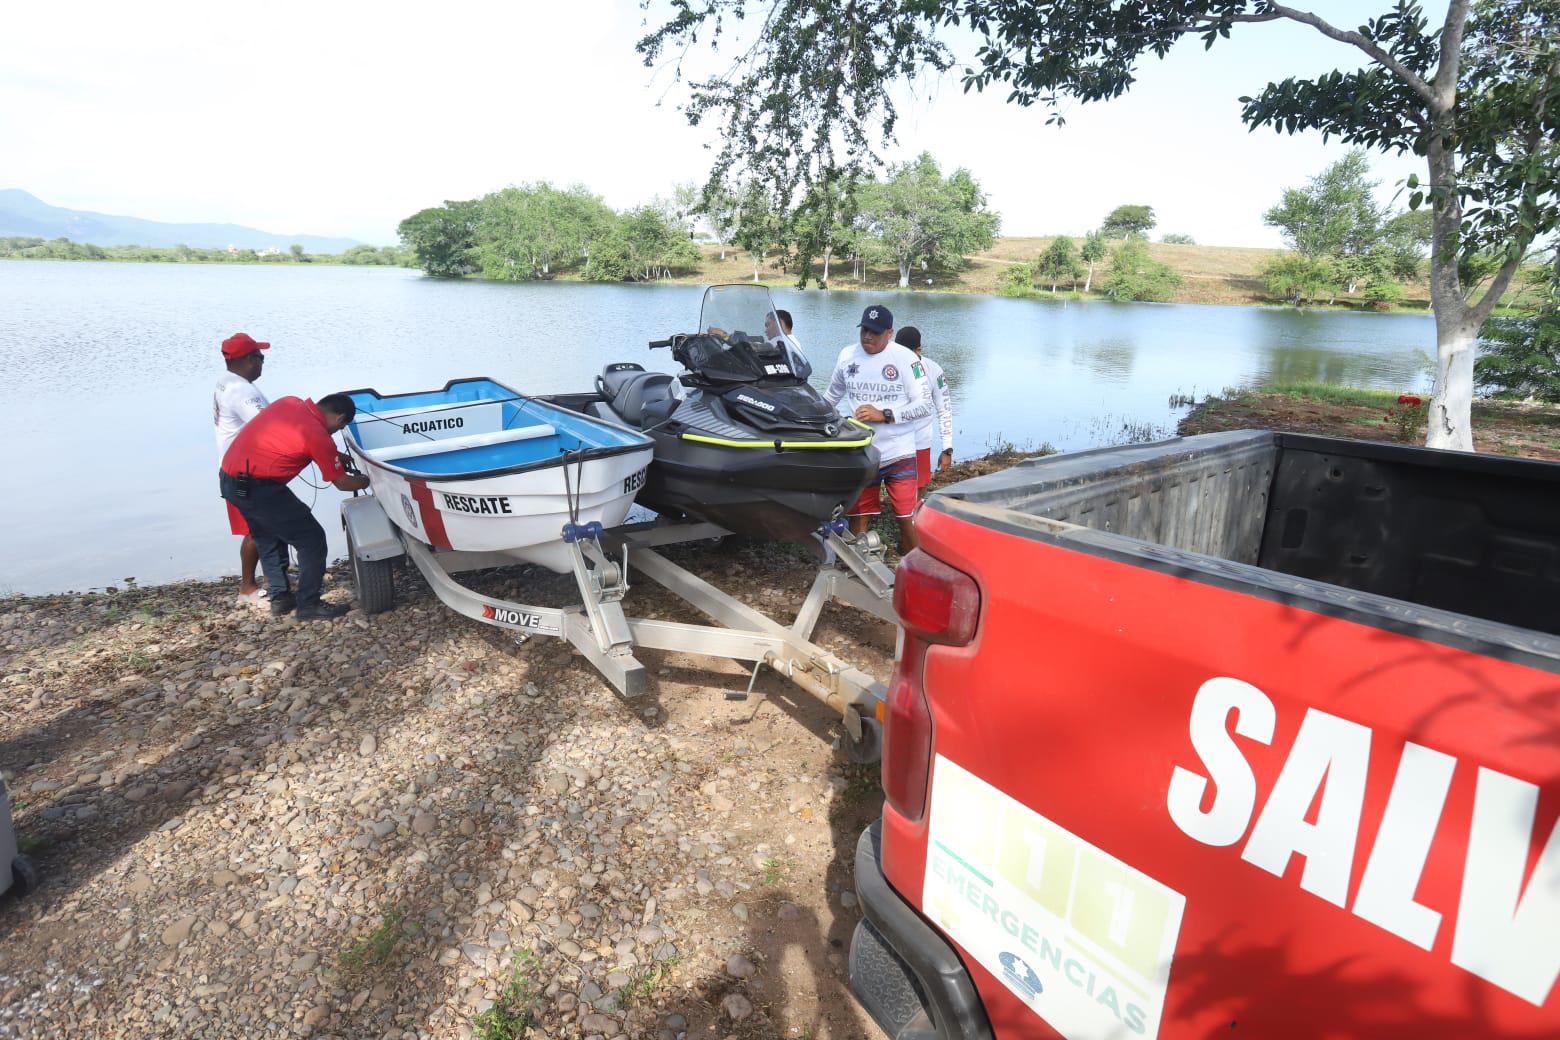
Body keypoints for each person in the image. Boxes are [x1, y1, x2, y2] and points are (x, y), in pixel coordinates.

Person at [219, 393, 369, 620]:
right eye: (339, 428)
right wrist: (370, 479)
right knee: (311, 539)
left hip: (230, 479)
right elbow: (343, 483)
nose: (335, 433)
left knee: (266, 535)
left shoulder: (289, 402)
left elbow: (284, 437)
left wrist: (333, 455)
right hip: (259, 487)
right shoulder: (318, 435)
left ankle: (280, 599)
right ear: (339, 419)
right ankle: (308, 605)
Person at [825, 304, 934, 552]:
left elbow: (925, 405)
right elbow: (830, 397)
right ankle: (854, 569)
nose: (867, 336)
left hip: (899, 451)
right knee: (859, 517)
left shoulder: (907, 359)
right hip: (863, 451)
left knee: (907, 518)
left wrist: (885, 415)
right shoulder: (847, 356)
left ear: (889, 333)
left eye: (874, 332)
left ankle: (913, 566)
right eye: (864, 330)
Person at [212, 332, 271, 604]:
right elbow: (269, 426)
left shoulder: (226, 381)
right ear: (248, 359)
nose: (262, 362)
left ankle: (273, 577)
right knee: (256, 528)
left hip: (236, 467)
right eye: (260, 357)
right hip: (243, 473)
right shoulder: (241, 390)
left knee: (270, 522)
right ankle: (247, 588)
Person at [894, 326, 954, 492]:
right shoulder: (888, 368)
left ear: (918, 349)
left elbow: (945, 410)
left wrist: (947, 449)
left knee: (919, 490)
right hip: (893, 443)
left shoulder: (934, 371)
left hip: (920, 443)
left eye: (907, 353)